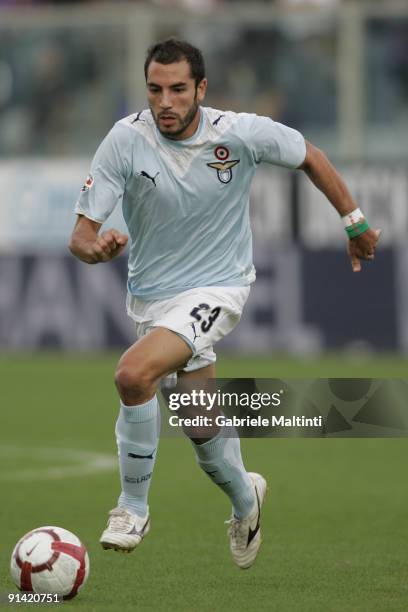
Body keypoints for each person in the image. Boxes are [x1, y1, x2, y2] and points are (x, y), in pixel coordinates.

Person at [68, 38, 380, 569]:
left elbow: (311, 155)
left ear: (201, 89)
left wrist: (355, 222)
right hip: (152, 298)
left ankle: (131, 508)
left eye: (178, 89)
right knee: (198, 419)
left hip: (220, 286)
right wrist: (95, 250)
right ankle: (246, 500)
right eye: (155, 89)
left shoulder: (238, 134)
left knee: (132, 375)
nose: (165, 101)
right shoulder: (125, 140)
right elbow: (81, 233)